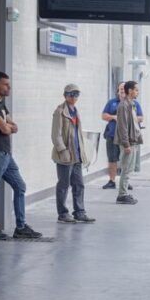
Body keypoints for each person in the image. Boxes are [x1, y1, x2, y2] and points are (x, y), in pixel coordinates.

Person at [0, 72, 42, 239]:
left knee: (20, 186)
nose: (9, 87)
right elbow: (7, 129)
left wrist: (7, 126)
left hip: (6, 154)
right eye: (5, 84)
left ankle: (20, 227)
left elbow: (14, 126)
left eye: (9, 84)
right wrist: (7, 126)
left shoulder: (1, 105)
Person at [51, 84, 95, 224]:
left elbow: (77, 135)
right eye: (71, 94)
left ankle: (79, 212)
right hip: (65, 155)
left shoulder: (75, 111)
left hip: (76, 155)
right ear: (65, 95)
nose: (74, 97)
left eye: (76, 94)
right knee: (63, 184)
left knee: (79, 184)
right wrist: (62, 151)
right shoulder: (60, 112)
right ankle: (63, 214)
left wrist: (83, 153)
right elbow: (55, 135)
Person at [101, 82, 144, 190]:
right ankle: (112, 181)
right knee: (112, 159)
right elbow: (103, 115)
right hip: (112, 135)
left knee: (126, 162)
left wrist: (126, 119)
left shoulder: (134, 104)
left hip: (126, 138)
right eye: (120, 89)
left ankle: (125, 183)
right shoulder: (113, 103)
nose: (122, 91)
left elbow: (140, 117)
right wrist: (114, 117)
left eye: (123, 89)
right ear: (118, 90)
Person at [115, 81, 143, 205]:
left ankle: (124, 192)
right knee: (126, 168)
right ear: (130, 90)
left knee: (129, 168)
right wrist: (126, 144)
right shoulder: (123, 105)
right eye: (136, 90)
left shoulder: (132, 104)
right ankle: (122, 195)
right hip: (128, 142)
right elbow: (122, 126)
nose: (138, 92)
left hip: (133, 141)